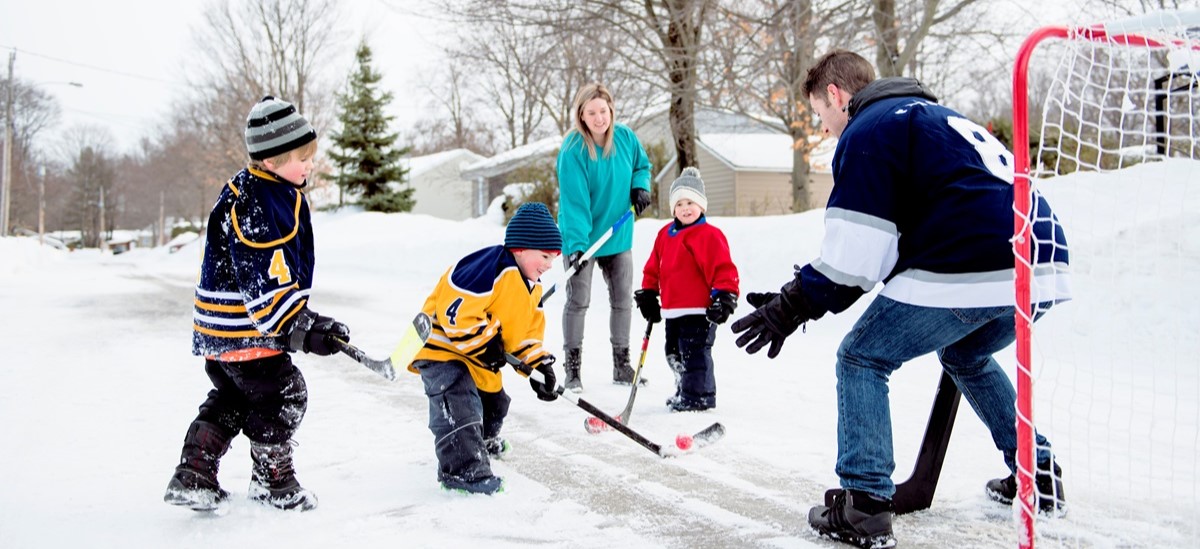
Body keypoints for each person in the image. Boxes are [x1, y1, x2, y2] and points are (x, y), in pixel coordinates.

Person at [730, 50, 1070, 549]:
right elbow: (878, 250)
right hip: (1040, 265)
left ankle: (864, 506)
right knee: (966, 353)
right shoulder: (938, 118)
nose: (824, 130)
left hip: (974, 264)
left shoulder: (869, 130)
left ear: (836, 96)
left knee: (862, 355)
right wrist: (802, 293)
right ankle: (1038, 473)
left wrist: (793, 304)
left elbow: (855, 262)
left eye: (820, 116)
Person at [164, 96, 349, 513]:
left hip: (221, 331)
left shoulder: (256, 190)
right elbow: (265, 279)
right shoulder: (261, 202)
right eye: (301, 157)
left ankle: (194, 472)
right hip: (246, 327)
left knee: (234, 395)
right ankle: (273, 481)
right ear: (272, 158)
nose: (308, 165)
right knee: (284, 394)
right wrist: (302, 326)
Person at [408, 202, 562, 495]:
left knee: (495, 403)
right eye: (544, 256)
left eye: (553, 258)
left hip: (478, 357)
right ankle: (464, 469)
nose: (549, 265)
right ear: (520, 248)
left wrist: (539, 367)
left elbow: (525, 335)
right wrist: (486, 339)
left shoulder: (532, 286)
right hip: (444, 350)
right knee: (459, 404)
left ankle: (478, 439)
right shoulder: (489, 266)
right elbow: (456, 310)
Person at [556, 82, 654, 392]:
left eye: (603, 111)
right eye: (591, 113)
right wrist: (578, 247)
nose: (599, 118)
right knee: (578, 301)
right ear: (581, 116)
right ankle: (572, 370)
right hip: (582, 237)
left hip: (618, 233)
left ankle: (621, 365)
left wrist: (641, 186)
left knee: (622, 300)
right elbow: (575, 203)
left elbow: (642, 165)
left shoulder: (625, 138)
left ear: (611, 110)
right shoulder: (573, 149)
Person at [634, 167, 739, 412]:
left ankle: (698, 396)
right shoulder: (664, 235)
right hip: (672, 311)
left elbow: (723, 269)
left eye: (691, 201)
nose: (685, 208)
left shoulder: (709, 235)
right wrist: (649, 293)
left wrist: (724, 297)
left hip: (699, 311)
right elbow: (652, 268)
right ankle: (684, 390)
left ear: (702, 205)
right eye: (679, 203)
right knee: (674, 354)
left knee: (695, 355)